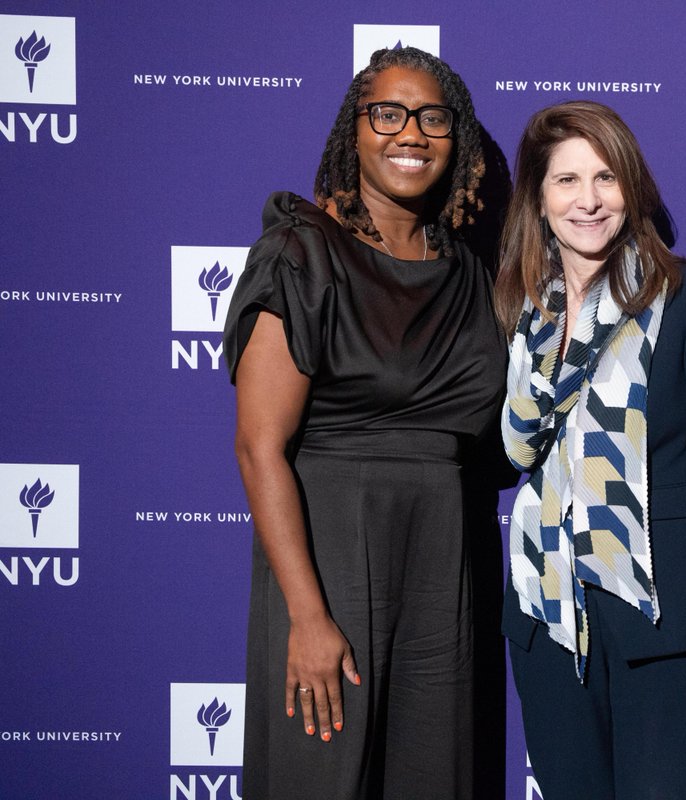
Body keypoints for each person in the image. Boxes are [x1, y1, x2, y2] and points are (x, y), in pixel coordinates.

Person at [222, 47, 505, 799]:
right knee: (322, 774)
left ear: (457, 138)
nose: (411, 133)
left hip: (442, 554)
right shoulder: (301, 252)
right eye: (388, 113)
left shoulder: (465, 271)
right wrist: (308, 617)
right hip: (332, 551)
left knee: (430, 776)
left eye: (433, 118)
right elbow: (259, 446)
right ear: (356, 130)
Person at [494, 100, 686, 800]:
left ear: (630, 188)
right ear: (539, 199)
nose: (589, 200)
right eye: (567, 181)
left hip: (663, 618)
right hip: (548, 615)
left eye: (605, 178)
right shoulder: (519, 309)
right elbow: (508, 453)